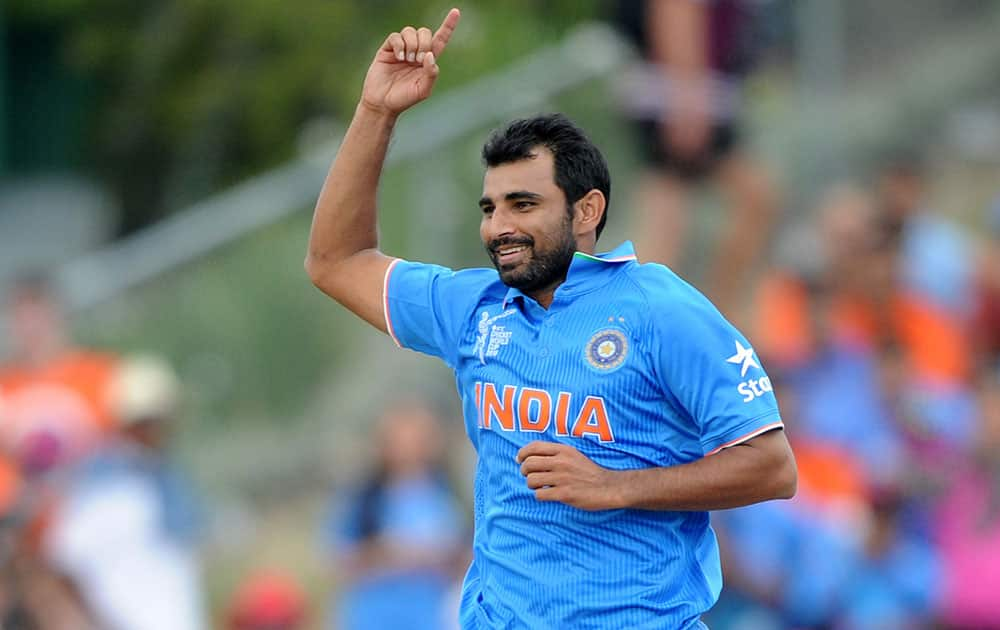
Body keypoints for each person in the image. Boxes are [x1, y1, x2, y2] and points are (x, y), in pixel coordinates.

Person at [304, 8, 796, 628]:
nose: (499, 226)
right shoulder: (474, 308)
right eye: (490, 207)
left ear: (587, 211)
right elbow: (335, 260)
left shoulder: (660, 308)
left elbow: (772, 466)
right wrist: (377, 112)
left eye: (524, 203)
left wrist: (616, 487)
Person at [613, 0, 780, 318]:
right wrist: (687, 103)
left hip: (694, 97)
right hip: (683, 100)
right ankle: (639, 321)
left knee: (673, 218)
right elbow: (676, 11)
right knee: (671, 221)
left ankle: (701, 313)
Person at [323, 400, 466, 630]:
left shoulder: (450, 494)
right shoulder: (363, 498)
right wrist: (388, 553)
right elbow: (338, 557)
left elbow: (467, 553)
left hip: (430, 615)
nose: (409, 449)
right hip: (373, 616)